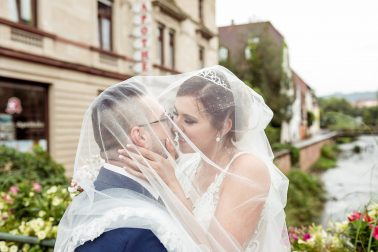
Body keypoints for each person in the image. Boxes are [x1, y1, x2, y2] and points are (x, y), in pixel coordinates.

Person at [118, 66, 290, 251]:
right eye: (175, 114)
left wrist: (171, 183)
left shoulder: (247, 169)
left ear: (224, 126)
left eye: (189, 120)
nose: (175, 126)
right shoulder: (187, 164)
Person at [55, 82, 199, 251]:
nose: (173, 127)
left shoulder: (87, 202)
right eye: (164, 118)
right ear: (140, 136)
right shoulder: (144, 229)